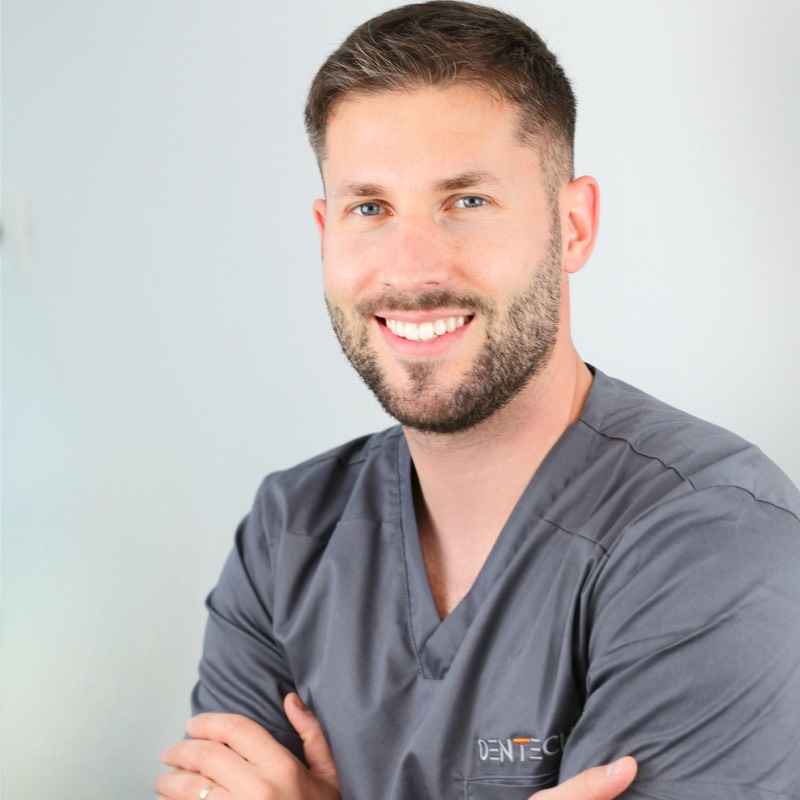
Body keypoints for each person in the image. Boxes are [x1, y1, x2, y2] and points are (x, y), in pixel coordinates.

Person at [155, 2, 800, 798]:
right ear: (325, 232)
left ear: (574, 225)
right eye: (370, 208)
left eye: (466, 201)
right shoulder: (288, 537)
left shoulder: (710, 538)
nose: (411, 268)